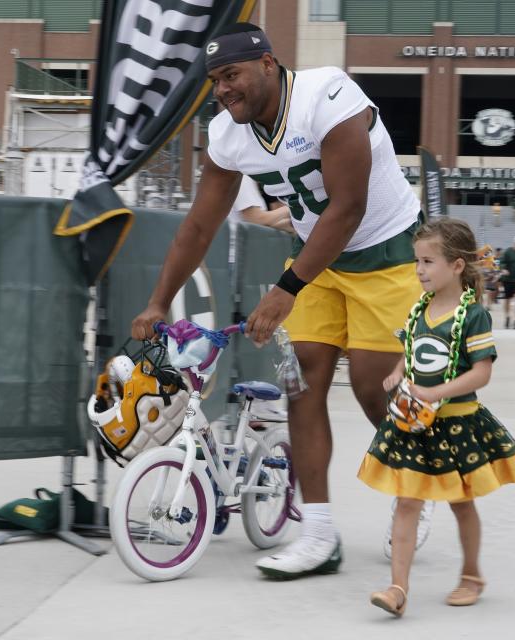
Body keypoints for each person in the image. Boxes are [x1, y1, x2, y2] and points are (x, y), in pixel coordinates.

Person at [130, 23, 429, 579]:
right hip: (316, 260)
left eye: (232, 75)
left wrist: (285, 290)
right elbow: (199, 226)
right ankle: (318, 537)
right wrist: (157, 301)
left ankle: (414, 494)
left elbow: (349, 207)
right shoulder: (229, 133)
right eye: (215, 80)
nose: (223, 89)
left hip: (384, 251)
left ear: (268, 64)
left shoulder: (328, 95)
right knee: (303, 386)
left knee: (371, 387)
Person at [358, 218, 515, 616]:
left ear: (456, 265)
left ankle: (471, 575)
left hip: (457, 424)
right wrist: (399, 372)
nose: (419, 270)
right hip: (415, 425)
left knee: (461, 503)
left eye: (428, 262)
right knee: (406, 504)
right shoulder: (419, 309)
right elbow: (413, 348)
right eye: (417, 262)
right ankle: (397, 588)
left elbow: (481, 372)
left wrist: (435, 392)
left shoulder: (472, 316)